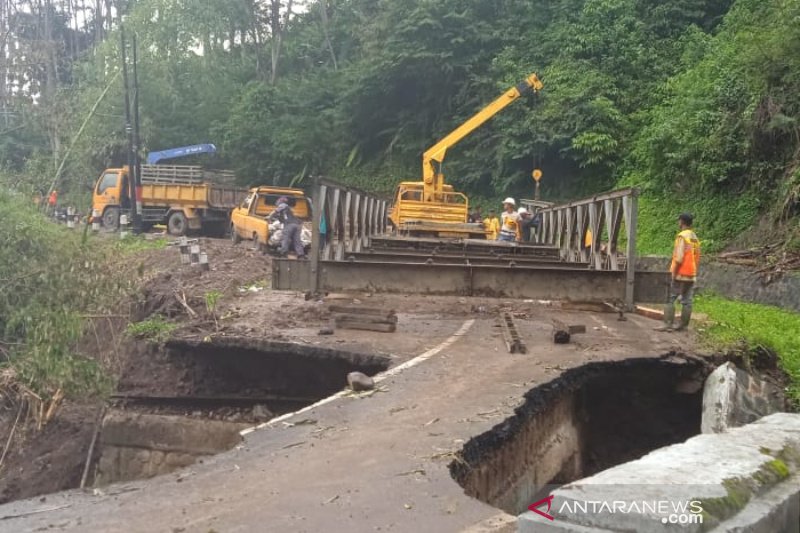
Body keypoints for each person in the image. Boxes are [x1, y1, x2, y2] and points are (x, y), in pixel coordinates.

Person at [657, 213, 701, 332]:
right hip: (691, 273)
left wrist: (673, 273)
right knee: (687, 301)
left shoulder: (682, 237)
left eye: (679, 221)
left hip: (680, 273)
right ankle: (684, 325)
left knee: (669, 298)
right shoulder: (694, 237)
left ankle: (668, 324)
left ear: (681, 222)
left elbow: (679, 257)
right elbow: (697, 257)